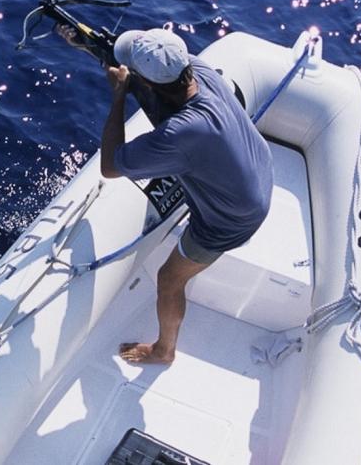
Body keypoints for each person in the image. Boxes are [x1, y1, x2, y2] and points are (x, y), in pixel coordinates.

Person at [65, 25, 273, 366]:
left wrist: (118, 97)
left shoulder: (181, 134)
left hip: (232, 220)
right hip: (259, 170)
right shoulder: (197, 70)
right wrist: (87, 46)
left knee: (169, 278)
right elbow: (151, 85)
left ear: (149, 82)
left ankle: (164, 351)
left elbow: (110, 166)